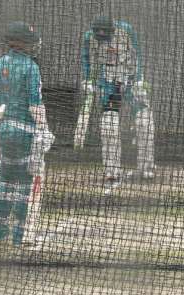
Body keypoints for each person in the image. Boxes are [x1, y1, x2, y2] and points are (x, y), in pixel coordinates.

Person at [0, 21, 54, 246]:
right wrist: (44, 129)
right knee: (25, 183)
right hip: (26, 132)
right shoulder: (31, 67)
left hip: (5, 131)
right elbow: (35, 104)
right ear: (21, 42)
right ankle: (20, 235)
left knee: (4, 179)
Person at [79, 16, 156, 195]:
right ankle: (112, 171)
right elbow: (87, 60)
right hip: (109, 84)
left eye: (105, 35)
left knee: (144, 122)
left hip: (130, 80)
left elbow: (137, 55)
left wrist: (139, 79)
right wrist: (88, 80)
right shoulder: (89, 38)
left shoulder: (125, 30)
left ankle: (147, 166)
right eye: (99, 35)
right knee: (109, 126)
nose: (102, 38)